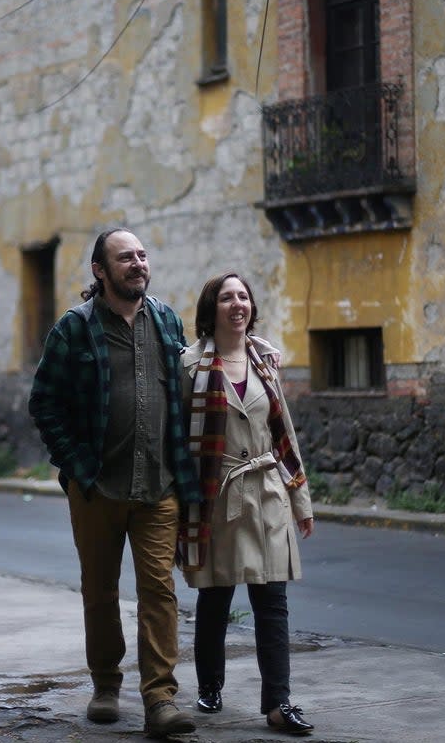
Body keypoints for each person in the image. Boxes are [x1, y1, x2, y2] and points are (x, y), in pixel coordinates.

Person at [29, 228, 199, 740]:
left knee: (159, 592)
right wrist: (79, 467)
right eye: (125, 258)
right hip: (97, 489)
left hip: (160, 486)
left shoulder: (167, 320)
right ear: (100, 270)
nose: (138, 264)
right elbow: (44, 403)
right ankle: (105, 684)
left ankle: (159, 699)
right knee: (100, 592)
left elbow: (193, 381)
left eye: (143, 255)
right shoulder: (74, 329)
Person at [178, 272, 316, 736]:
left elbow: (284, 434)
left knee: (272, 601)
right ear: (210, 308)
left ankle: (279, 703)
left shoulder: (266, 360)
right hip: (216, 497)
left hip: (267, 492)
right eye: (227, 297)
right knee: (215, 597)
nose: (238, 304)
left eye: (243, 297)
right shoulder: (190, 366)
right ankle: (210, 685)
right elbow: (178, 441)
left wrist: (301, 499)